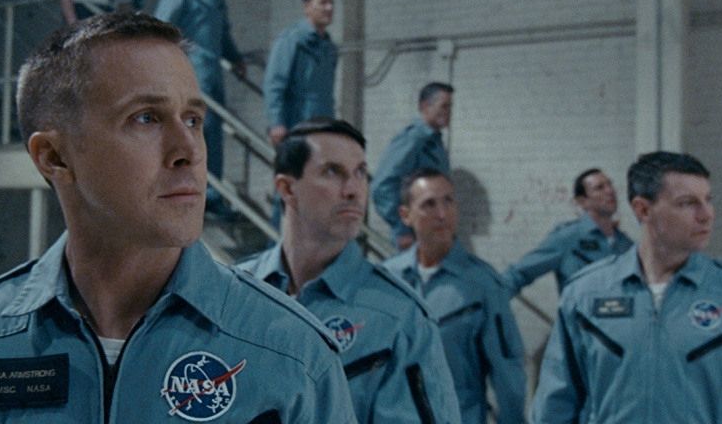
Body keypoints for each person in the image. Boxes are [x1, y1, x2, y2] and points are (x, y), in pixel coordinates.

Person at [0, 13, 357, 423]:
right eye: (146, 118)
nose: (189, 150)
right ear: (54, 157)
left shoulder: (293, 356)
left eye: (193, 119)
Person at [236, 118, 462, 424]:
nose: (354, 190)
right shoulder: (234, 294)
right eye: (333, 172)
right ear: (287, 188)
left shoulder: (399, 318)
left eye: (360, 173)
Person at [533, 151, 722, 423]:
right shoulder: (586, 294)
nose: (706, 215)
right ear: (643, 209)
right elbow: (555, 404)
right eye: (688, 203)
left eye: (708, 200)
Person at [383, 169, 527, 424]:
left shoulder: (483, 285)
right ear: (405, 215)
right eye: (429, 204)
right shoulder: (388, 280)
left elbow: (508, 375)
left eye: (448, 201)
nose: (442, 214)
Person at [154, 0, 246, 219]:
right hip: (191, 73)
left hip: (213, 73)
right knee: (196, 134)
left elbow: (222, 32)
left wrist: (235, 58)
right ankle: (194, 194)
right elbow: (161, 28)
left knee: (213, 134)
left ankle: (212, 196)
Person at [503, 168, 633, 295]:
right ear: (582, 201)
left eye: (610, 184)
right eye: (599, 188)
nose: (610, 191)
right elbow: (519, 273)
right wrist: (494, 300)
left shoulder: (626, 244)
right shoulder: (568, 238)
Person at [372, 82, 453, 250]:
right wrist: (402, 227)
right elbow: (382, 186)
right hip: (414, 234)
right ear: (424, 106)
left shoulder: (434, 141)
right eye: (444, 106)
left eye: (450, 107)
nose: (448, 112)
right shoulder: (413, 139)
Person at [263, 0, 337, 147]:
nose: (329, 8)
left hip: (324, 126)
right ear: (307, 6)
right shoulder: (291, 40)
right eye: (323, 3)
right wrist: (276, 122)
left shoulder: (329, 48)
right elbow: (274, 84)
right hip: (297, 126)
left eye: (331, 3)